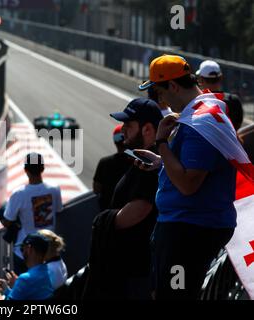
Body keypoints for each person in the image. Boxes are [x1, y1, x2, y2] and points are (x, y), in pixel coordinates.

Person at [138, 54, 240, 300]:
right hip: (189, 226)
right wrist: (162, 163)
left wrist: (161, 142)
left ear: (173, 86)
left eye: (159, 92)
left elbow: (187, 183)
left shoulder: (199, 121)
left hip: (188, 229)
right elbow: (196, 169)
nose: (159, 99)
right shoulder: (205, 112)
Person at [84, 98, 162, 300]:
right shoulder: (142, 158)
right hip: (133, 267)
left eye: (129, 125)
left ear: (147, 129)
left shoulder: (150, 162)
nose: (124, 129)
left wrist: (103, 221)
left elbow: (141, 207)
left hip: (136, 271)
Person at [1, 153, 62, 275]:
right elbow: (58, 210)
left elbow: (7, 221)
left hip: (26, 252)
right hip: (49, 251)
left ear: (25, 170)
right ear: (43, 168)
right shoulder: (54, 189)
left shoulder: (18, 194)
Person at [0, 233, 54, 300]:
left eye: (22, 248)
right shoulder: (50, 272)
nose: (22, 252)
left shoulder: (25, 279)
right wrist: (9, 289)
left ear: (29, 249)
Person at [196, 59, 244, 131]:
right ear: (221, 78)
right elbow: (237, 125)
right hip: (229, 141)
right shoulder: (234, 100)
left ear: (201, 80)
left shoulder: (195, 102)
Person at [93, 124, 132, 210]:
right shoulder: (138, 162)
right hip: (130, 211)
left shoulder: (104, 162)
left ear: (115, 142)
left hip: (107, 212)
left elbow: (96, 189)